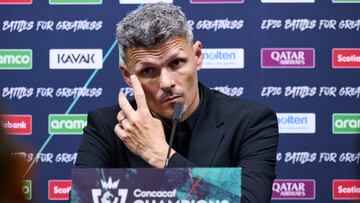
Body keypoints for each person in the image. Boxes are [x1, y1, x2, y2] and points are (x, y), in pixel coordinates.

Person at [75, 3, 279, 203]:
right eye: (148, 71)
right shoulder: (106, 126)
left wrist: (160, 155)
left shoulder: (250, 122)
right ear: (128, 76)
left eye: (176, 63)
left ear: (197, 56)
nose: (166, 83)